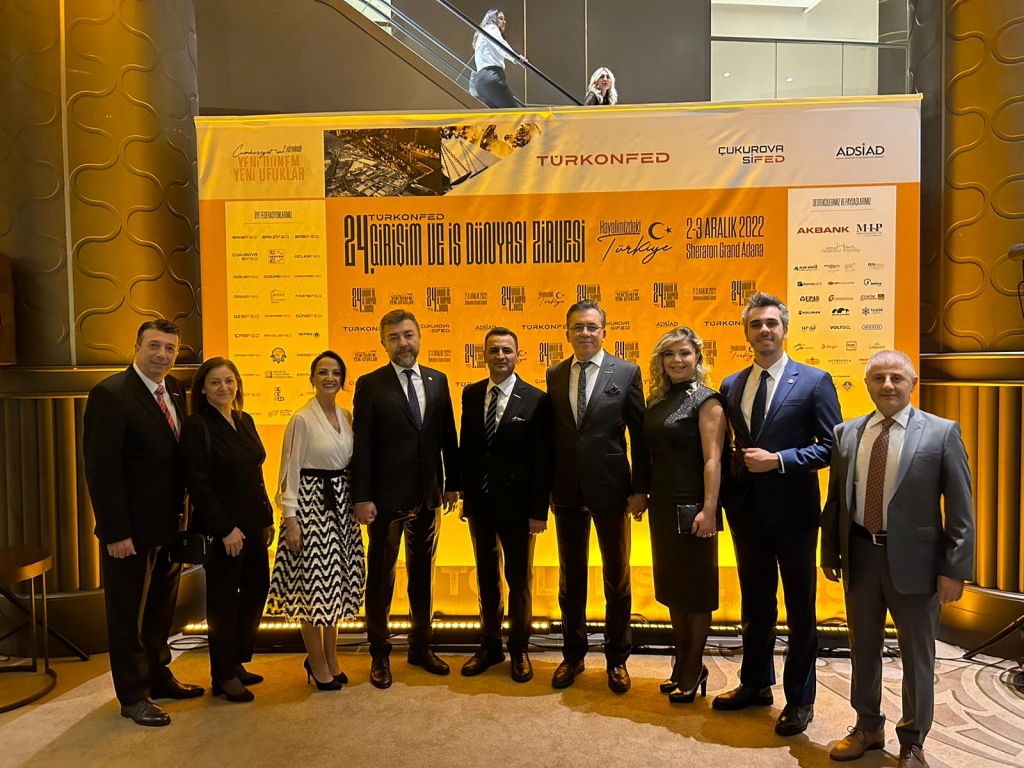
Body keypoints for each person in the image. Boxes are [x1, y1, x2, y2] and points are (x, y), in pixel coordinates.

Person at [821, 351, 974, 768]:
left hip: (919, 565)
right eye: (878, 378)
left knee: (917, 656)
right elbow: (836, 500)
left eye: (896, 378)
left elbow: (961, 509)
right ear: (867, 385)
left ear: (912, 383)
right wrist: (830, 550)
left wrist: (954, 569)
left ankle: (913, 740)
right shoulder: (846, 433)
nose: (887, 385)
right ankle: (867, 727)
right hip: (860, 556)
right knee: (862, 648)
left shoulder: (942, 433)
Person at [713, 292, 842, 736]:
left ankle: (801, 700)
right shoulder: (730, 384)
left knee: (800, 607)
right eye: (756, 324)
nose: (764, 330)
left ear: (784, 329)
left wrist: (780, 460)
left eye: (771, 323)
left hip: (795, 512)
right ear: (746, 333)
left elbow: (832, 447)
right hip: (746, 511)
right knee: (755, 601)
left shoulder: (815, 381)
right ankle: (755, 684)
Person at [83, 319, 204, 726]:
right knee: (126, 615)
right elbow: (102, 470)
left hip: (170, 524)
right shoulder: (110, 394)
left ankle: (157, 674)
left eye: (170, 348)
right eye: (154, 345)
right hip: (129, 532)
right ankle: (133, 695)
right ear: (135, 347)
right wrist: (115, 531)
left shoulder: (175, 389)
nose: (162, 355)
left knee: (159, 610)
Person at [352, 310, 461, 689]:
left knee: (422, 576)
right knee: (381, 579)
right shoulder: (371, 384)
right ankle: (379, 653)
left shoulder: (437, 379)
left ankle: (421, 647)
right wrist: (362, 497)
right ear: (383, 343)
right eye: (395, 337)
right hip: (384, 501)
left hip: (428, 497)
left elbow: (447, 436)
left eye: (408, 335)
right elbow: (362, 447)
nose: (403, 343)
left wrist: (452, 483)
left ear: (419, 337)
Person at [546, 300, 649, 692]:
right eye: (578, 327)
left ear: (604, 332)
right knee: (570, 578)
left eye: (592, 327)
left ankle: (617, 658)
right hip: (566, 490)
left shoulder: (626, 372)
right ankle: (572, 655)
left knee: (616, 578)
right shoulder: (555, 373)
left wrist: (640, 489)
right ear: (567, 333)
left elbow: (639, 436)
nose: (585, 333)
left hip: (612, 490)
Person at [265, 351, 364, 692]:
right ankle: (316, 661)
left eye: (336, 372)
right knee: (312, 588)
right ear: (312, 378)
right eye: (323, 372)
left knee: (335, 586)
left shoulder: (346, 415)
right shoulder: (301, 419)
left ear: (342, 379)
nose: (329, 378)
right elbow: (288, 473)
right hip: (309, 507)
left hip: (340, 505)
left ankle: (331, 658)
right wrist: (291, 521)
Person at [458, 327, 552, 682]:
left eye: (507, 350)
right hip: (481, 504)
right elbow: (467, 448)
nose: (500, 356)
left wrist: (538, 512)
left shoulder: (536, 399)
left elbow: (543, 459)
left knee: (519, 579)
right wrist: (464, 495)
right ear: (484, 355)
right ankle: (490, 646)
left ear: (517, 355)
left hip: (519, 507)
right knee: (486, 577)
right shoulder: (471, 394)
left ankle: (519, 649)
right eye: (494, 350)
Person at [641, 327, 727, 703]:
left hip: (693, 508)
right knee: (674, 589)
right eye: (669, 354)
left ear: (698, 358)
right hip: (662, 506)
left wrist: (709, 510)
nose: (677, 360)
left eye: (684, 353)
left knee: (696, 593)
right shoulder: (658, 399)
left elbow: (713, 460)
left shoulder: (707, 400)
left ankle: (694, 667)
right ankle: (681, 665)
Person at [180, 358, 274, 702]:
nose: (224, 387)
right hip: (223, 532)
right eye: (215, 382)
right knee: (222, 601)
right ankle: (222, 674)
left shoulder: (244, 420)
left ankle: (236, 660)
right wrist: (225, 529)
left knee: (256, 590)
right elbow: (198, 485)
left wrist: (267, 518)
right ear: (203, 389)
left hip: (254, 526)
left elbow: (255, 472)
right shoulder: (197, 426)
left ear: (237, 385)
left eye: (229, 381)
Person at [472, 9, 527, 108]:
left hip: (480, 82)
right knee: (513, 112)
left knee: (499, 114)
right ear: (492, 19)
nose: (504, 22)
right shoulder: (491, 28)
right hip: (492, 75)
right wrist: (516, 58)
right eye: (500, 18)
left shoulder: (482, 33)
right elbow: (500, 44)